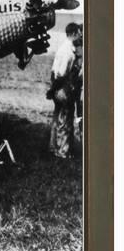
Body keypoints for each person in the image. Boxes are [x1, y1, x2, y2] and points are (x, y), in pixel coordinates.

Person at [47, 22, 82, 158]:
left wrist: (52, 89)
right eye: (78, 32)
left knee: (57, 118)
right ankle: (63, 151)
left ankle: (53, 147)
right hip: (63, 87)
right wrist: (57, 88)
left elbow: (54, 71)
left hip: (56, 85)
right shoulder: (69, 52)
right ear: (73, 34)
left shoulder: (62, 47)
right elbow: (61, 74)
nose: (80, 35)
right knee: (65, 119)